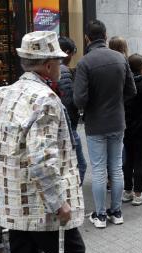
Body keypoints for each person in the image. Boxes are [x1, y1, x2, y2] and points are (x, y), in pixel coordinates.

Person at [0, 31, 98, 253]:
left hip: (12, 200)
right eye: (59, 62)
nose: (62, 67)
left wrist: (2, 188)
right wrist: (58, 203)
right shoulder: (45, 100)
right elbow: (41, 159)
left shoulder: (0, 94)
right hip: (40, 205)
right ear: (48, 65)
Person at [74, 20, 136, 228]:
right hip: (117, 121)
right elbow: (131, 90)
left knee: (99, 170)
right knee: (116, 168)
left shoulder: (85, 62)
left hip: (96, 123)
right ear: (106, 35)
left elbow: (79, 99)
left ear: (86, 38)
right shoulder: (120, 58)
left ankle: (100, 215)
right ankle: (116, 212)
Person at [122, 54, 142, 205]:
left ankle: (127, 191)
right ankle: (138, 193)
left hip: (127, 126)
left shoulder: (124, 84)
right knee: (140, 161)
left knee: (128, 159)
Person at [57, 36, 87, 185]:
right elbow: (69, 101)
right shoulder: (64, 71)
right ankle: (74, 200)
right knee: (81, 165)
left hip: (61, 125)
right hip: (68, 126)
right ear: (67, 52)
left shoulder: (56, 69)